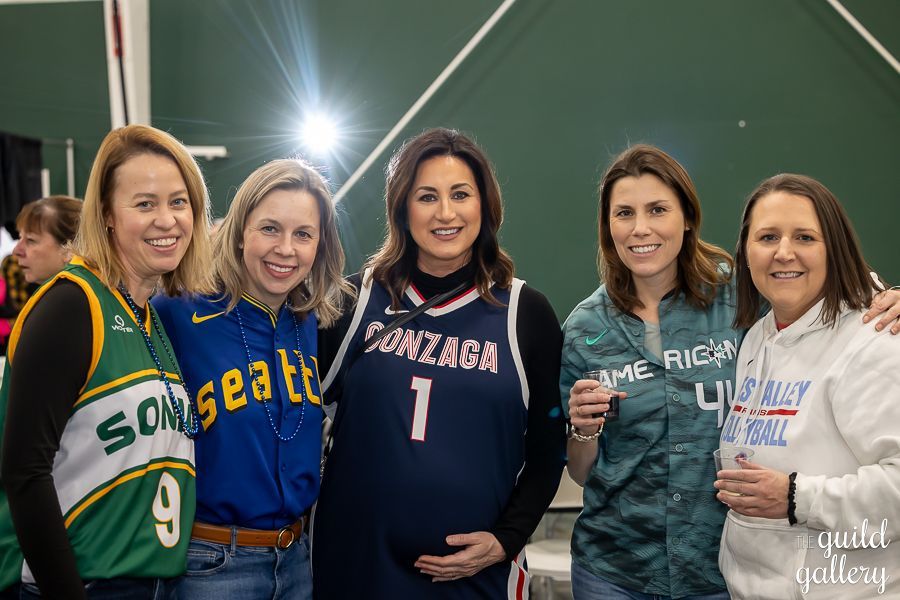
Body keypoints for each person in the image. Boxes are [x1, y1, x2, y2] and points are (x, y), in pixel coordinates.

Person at [561, 145, 900, 600]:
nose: (641, 228)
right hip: (618, 568)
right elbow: (582, 472)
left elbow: (811, 285)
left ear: (686, 217)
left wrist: (881, 295)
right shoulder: (585, 328)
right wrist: (582, 430)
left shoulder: (736, 295)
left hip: (717, 571)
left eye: (658, 209)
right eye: (624, 212)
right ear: (608, 226)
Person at [311, 127, 566, 598]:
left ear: (485, 207)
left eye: (461, 195)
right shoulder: (352, 301)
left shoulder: (525, 313)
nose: (445, 213)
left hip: (476, 579)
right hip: (355, 567)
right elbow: (294, 416)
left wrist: (506, 539)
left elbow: (550, 448)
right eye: (427, 196)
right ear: (402, 209)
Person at [0, 124, 213, 599]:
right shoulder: (70, 307)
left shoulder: (147, 315)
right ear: (107, 216)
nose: (168, 220)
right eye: (145, 204)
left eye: (179, 202)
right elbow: (23, 472)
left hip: (152, 582)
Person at [152, 159, 351, 599]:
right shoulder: (178, 310)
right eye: (269, 228)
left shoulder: (312, 322)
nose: (286, 249)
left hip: (298, 560)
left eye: (303, 234)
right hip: (211, 565)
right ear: (241, 230)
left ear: (320, 245)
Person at [715, 174, 900, 599]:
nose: (784, 252)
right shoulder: (757, 338)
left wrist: (798, 497)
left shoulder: (874, 339)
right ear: (745, 251)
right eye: (767, 237)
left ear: (833, 247)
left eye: (804, 237)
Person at [12, 195, 82, 284]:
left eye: (31, 240)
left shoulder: (67, 295)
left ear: (70, 248)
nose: (16, 251)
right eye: (20, 237)